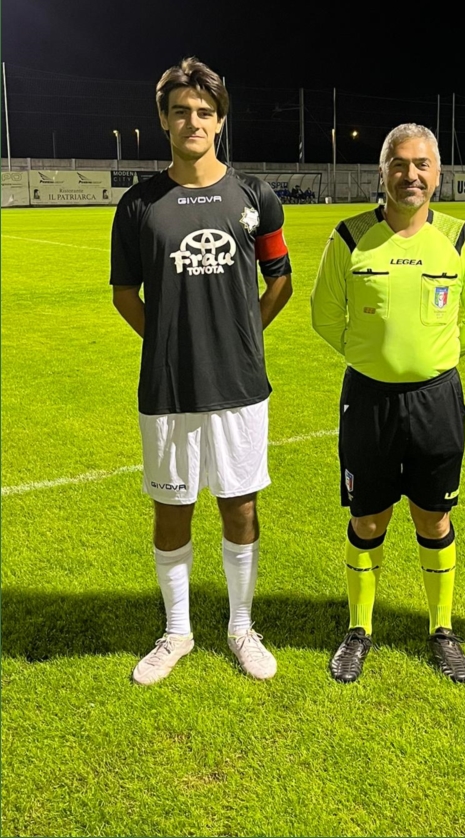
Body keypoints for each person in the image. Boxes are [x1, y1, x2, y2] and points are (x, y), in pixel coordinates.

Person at [110, 57, 292, 685]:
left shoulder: (255, 196)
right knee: (172, 510)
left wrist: (239, 339)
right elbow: (125, 294)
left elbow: (281, 280)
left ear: (220, 122)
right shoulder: (139, 204)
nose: (194, 121)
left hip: (239, 387)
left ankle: (241, 628)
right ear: (164, 120)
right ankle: (178, 631)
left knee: (240, 507)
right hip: (168, 388)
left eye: (205, 112)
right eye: (181, 111)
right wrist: (171, 343)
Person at [311, 123, 465, 683]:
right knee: (367, 516)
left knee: (434, 516)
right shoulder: (349, 237)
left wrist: (436, 357)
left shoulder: (460, 238)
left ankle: (442, 630)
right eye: (399, 163)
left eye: (422, 165)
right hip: (368, 399)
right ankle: (358, 630)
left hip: (436, 400)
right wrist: (373, 357)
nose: (410, 175)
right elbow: (325, 315)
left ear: (437, 174)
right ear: (383, 171)